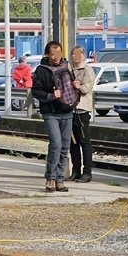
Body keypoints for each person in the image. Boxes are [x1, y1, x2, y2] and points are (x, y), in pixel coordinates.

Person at [31, 41, 75, 192]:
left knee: (65, 147)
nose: (56, 57)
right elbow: (36, 91)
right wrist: (50, 96)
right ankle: (50, 177)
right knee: (55, 144)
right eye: (52, 54)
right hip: (50, 112)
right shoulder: (41, 70)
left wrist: (77, 87)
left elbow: (73, 87)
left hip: (67, 111)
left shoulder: (67, 67)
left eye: (58, 54)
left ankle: (59, 179)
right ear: (47, 54)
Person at [68, 45, 96, 183]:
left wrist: (78, 86)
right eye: (73, 54)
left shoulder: (88, 70)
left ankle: (87, 171)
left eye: (78, 54)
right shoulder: (69, 70)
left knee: (84, 141)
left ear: (83, 55)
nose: (76, 56)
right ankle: (75, 170)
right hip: (70, 110)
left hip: (82, 110)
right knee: (73, 143)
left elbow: (86, 88)